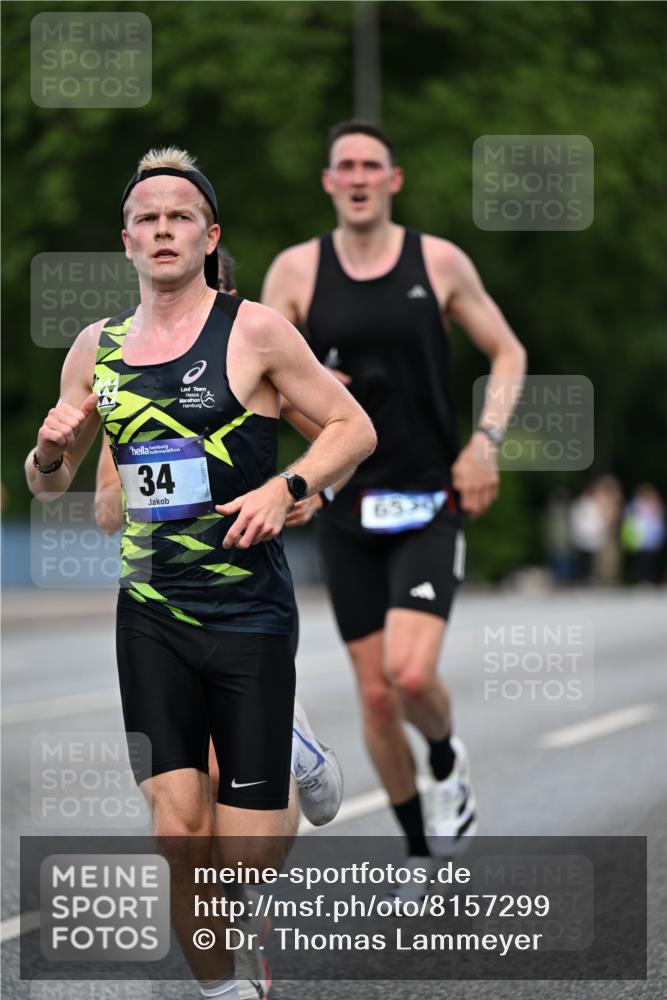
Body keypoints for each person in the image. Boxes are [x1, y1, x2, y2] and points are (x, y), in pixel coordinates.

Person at [25, 146, 376, 1000]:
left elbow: (350, 428)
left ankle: (286, 744)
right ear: (127, 241)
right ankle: (225, 989)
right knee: (179, 835)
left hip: (249, 610)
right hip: (148, 610)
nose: (163, 230)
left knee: (245, 855)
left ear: (208, 235)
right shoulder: (95, 351)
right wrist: (48, 452)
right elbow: (63, 489)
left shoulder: (252, 329)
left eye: (179, 216)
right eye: (147, 219)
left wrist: (291, 485)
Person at [263, 120, 526, 900]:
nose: (356, 176)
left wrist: (483, 442)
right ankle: (417, 850)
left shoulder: (437, 261)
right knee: (373, 693)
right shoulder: (294, 273)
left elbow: (505, 351)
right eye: (342, 164)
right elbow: (259, 374)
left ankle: (445, 760)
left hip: (426, 496)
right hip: (346, 503)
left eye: (370, 165)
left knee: (411, 676)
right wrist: (303, 465)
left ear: (392, 179)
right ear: (327, 182)